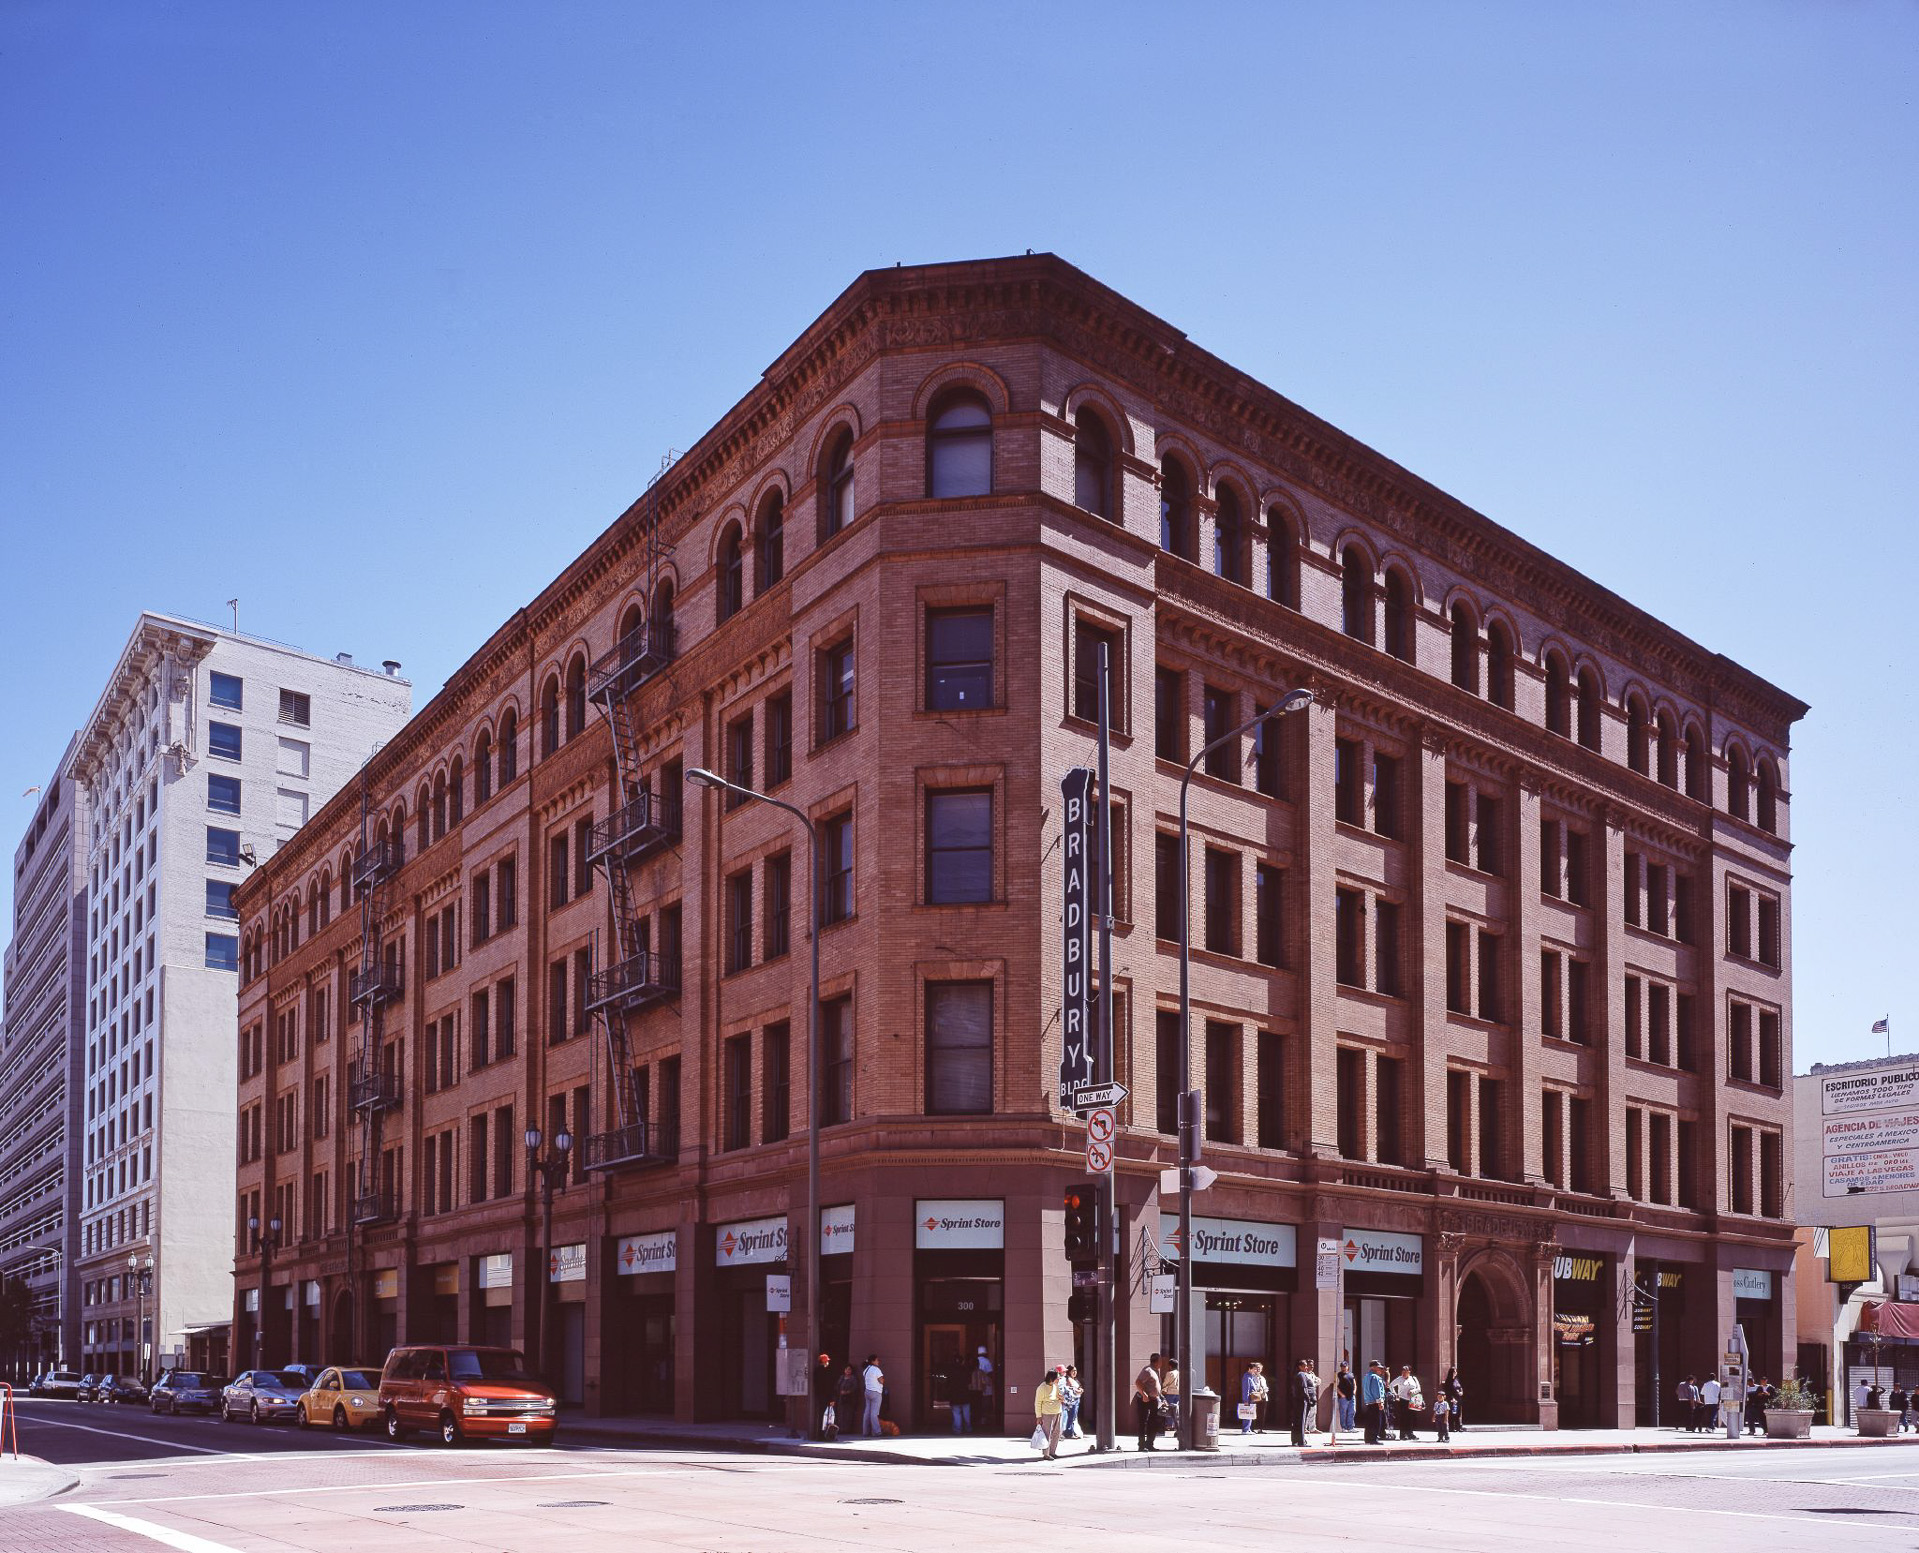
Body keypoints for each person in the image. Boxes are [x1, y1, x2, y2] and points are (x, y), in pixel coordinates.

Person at [1134, 1352, 1165, 1451]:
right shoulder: (1148, 1370)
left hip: (1154, 1399)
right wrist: (1144, 1395)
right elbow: (1138, 1382)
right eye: (1160, 1361)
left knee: (1154, 1422)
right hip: (1145, 1399)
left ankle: (1149, 1444)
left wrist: (1162, 1398)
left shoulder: (1156, 1371)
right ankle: (1142, 1445)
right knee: (1143, 1422)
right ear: (1156, 1361)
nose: (1162, 1363)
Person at [1034, 1369, 1065, 1460]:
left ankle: (1052, 1452)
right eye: (1057, 1378)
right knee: (1047, 1433)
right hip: (1047, 1413)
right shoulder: (1042, 1387)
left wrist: (1061, 1398)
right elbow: (1038, 1402)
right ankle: (1046, 1454)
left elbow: (1060, 1398)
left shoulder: (1056, 1386)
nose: (1059, 1380)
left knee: (1056, 1432)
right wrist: (1038, 1416)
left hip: (1057, 1412)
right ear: (1052, 1378)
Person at [966, 1345, 996, 1433]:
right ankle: (983, 1420)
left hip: (973, 1390)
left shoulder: (974, 1361)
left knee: (975, 1406)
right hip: (983, 1388)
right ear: (985, 1353)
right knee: (984, 1404)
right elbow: (990, 1374)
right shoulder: (987, 1361)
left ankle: (974, 1421)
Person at [1391, 1365, 1423, 1441]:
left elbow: (1419, 1388)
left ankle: (1410, 1433)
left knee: (1410, 1417)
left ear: (1409, 1372)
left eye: (1406, 1371)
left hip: (1412, 1400)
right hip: (1402, 1400)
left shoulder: (1413, 1379)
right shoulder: (1399, 1379)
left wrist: (1413, 1391)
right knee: (1403, 1417)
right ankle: (1403, 1434)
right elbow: (1391, 1385)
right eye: (1403, 1371)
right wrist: (1395, 1394)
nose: (1404, 1372)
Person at [813, 1352, 839, 1439]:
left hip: (820, 1396)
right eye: (827, 1361)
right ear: (824, 1361)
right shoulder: (827, 1371)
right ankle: (826, 1434)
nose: (828, 1362)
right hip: (827, 1396)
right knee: (828, 1417)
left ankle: (821, 1434)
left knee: (822, 1415)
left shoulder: (816, 1371)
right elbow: (830, 1385)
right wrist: (832, 1398)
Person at [860, 1353, 886, 1437]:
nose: (878, 1361)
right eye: (877, 1360)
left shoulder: (866, 1370)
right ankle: (877, 1431)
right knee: (874, 1413)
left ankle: (865, 1432)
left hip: (867, 1392)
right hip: (876, 1392)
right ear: (873, 1361)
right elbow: (881, 1381)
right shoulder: (876, 1370)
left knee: (867, 1412)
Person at [1240, 1361, 1269, 1436]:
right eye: (1254, 1369)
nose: (1256, 1371)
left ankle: (1248, 1428)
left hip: (1252, 1398)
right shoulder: (1246, 1376)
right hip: (1248, 1398)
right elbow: (1246, 1389)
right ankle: (1245, 1429)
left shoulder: (1250, 1376)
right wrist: (1245, 1400)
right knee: (1247, 1413)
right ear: (1250, 1369)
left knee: (1250, 1414)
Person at [1362, 1361, 1387, 1444]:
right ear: (1373, 1367)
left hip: (1369, 1402)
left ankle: (1368, 1438)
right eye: (1378, 1367)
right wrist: (1380, 1403)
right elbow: (1377, 1391)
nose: (1379, 1369)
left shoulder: (1366, 1376)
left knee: (1369, 1422)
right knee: (1376, 1422)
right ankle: (1373, 1439)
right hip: (1375, 1402)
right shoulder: (1375, 1377)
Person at [1332, 1362, 1356, 1444]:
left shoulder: (1351, 1374)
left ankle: (1350, 1427)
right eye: (1342, 1366)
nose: (1343, 1368)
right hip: (1343, 1397)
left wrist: (1354, 1391)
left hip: (1351, 1396)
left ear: (1347, 1367)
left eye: (1344, 1366)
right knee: (1343, 1412)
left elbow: (1354, 1383)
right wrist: (1341, 1394)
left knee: (1352, 1411)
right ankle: (1344, 1427)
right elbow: (1335, 1384)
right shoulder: (1339, 1375)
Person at [1161, 1358, 1182, 1441]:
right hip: (1178, 1393)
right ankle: (1175, 1425)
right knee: (1176, 1410)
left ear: (1170, 1366)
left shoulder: (1169, 1373)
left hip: (1170, 1392)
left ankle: (1169, 1425)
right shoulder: (1180, 1373)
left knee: (1168, 1409)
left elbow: (1165, 1383)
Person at [1061, 1365, 1084, 1439]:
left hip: (1076, 1400)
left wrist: (1080, 1390)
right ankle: (1069, 1433)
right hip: (1071, 1401)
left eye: (1076, 1371)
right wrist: (1078, 1390)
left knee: (1073, 1417)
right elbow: (1071, 1389)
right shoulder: (1067, 1379)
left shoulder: (1076, 1380)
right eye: (1073, 1371)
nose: (1075, 1372)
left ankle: (1071, 1431)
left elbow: (1080, 1389)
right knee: (1070, 1416)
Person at [1441, 1366, 1465, 1432]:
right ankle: (1452, 1427)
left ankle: (1458, 1427)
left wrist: (1461, 1392)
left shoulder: (1457, 1379)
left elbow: (1460, 1387)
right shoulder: (1448, 1381)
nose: (1455, 1373)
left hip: (1458, 1398)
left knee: (1458, 1413)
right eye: (1454, 1371)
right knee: (1452, 1413)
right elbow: (1447, 1391)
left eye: (1456, 1371)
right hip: (1452, 1399)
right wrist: (1452, 1398)